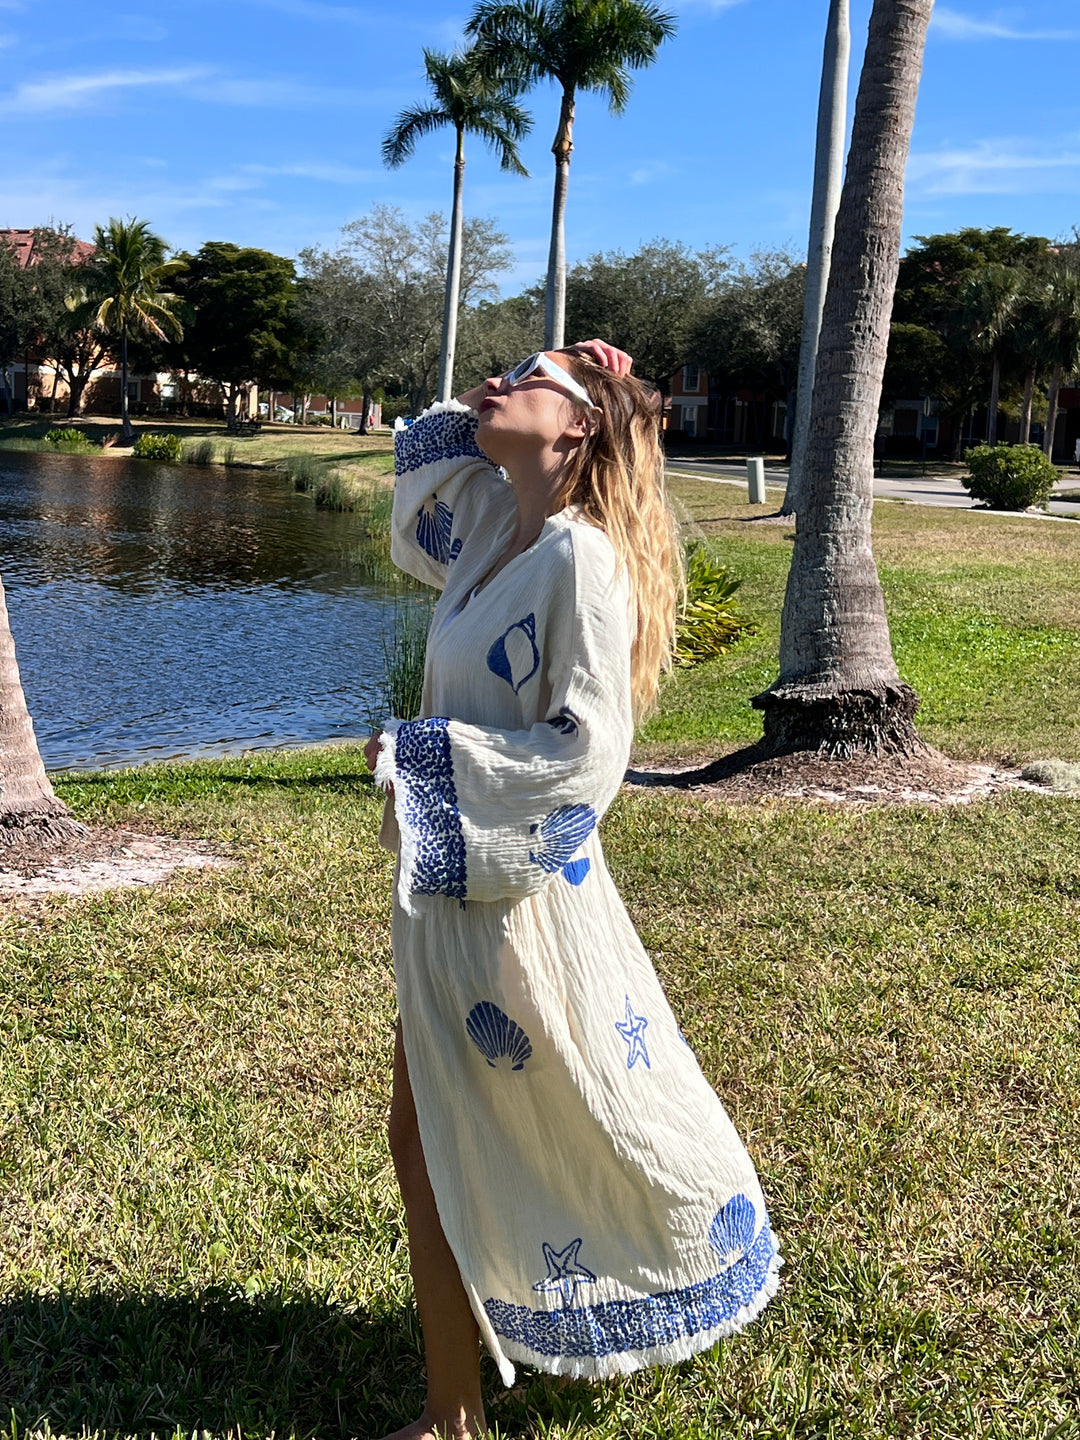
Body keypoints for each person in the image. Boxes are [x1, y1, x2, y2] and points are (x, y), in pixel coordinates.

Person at [365, 340, 780, 1440]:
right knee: (430, 1132)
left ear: (577, 428)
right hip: (454, 892)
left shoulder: (581, 562)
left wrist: (417, 761)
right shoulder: (495, 535)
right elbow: (418, 494)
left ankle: (458, 1409)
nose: (495, 384)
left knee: (499, 1122)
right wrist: (556, 378)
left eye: (527, 378)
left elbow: (590, 753)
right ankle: (451, 1407)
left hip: (516, 899)